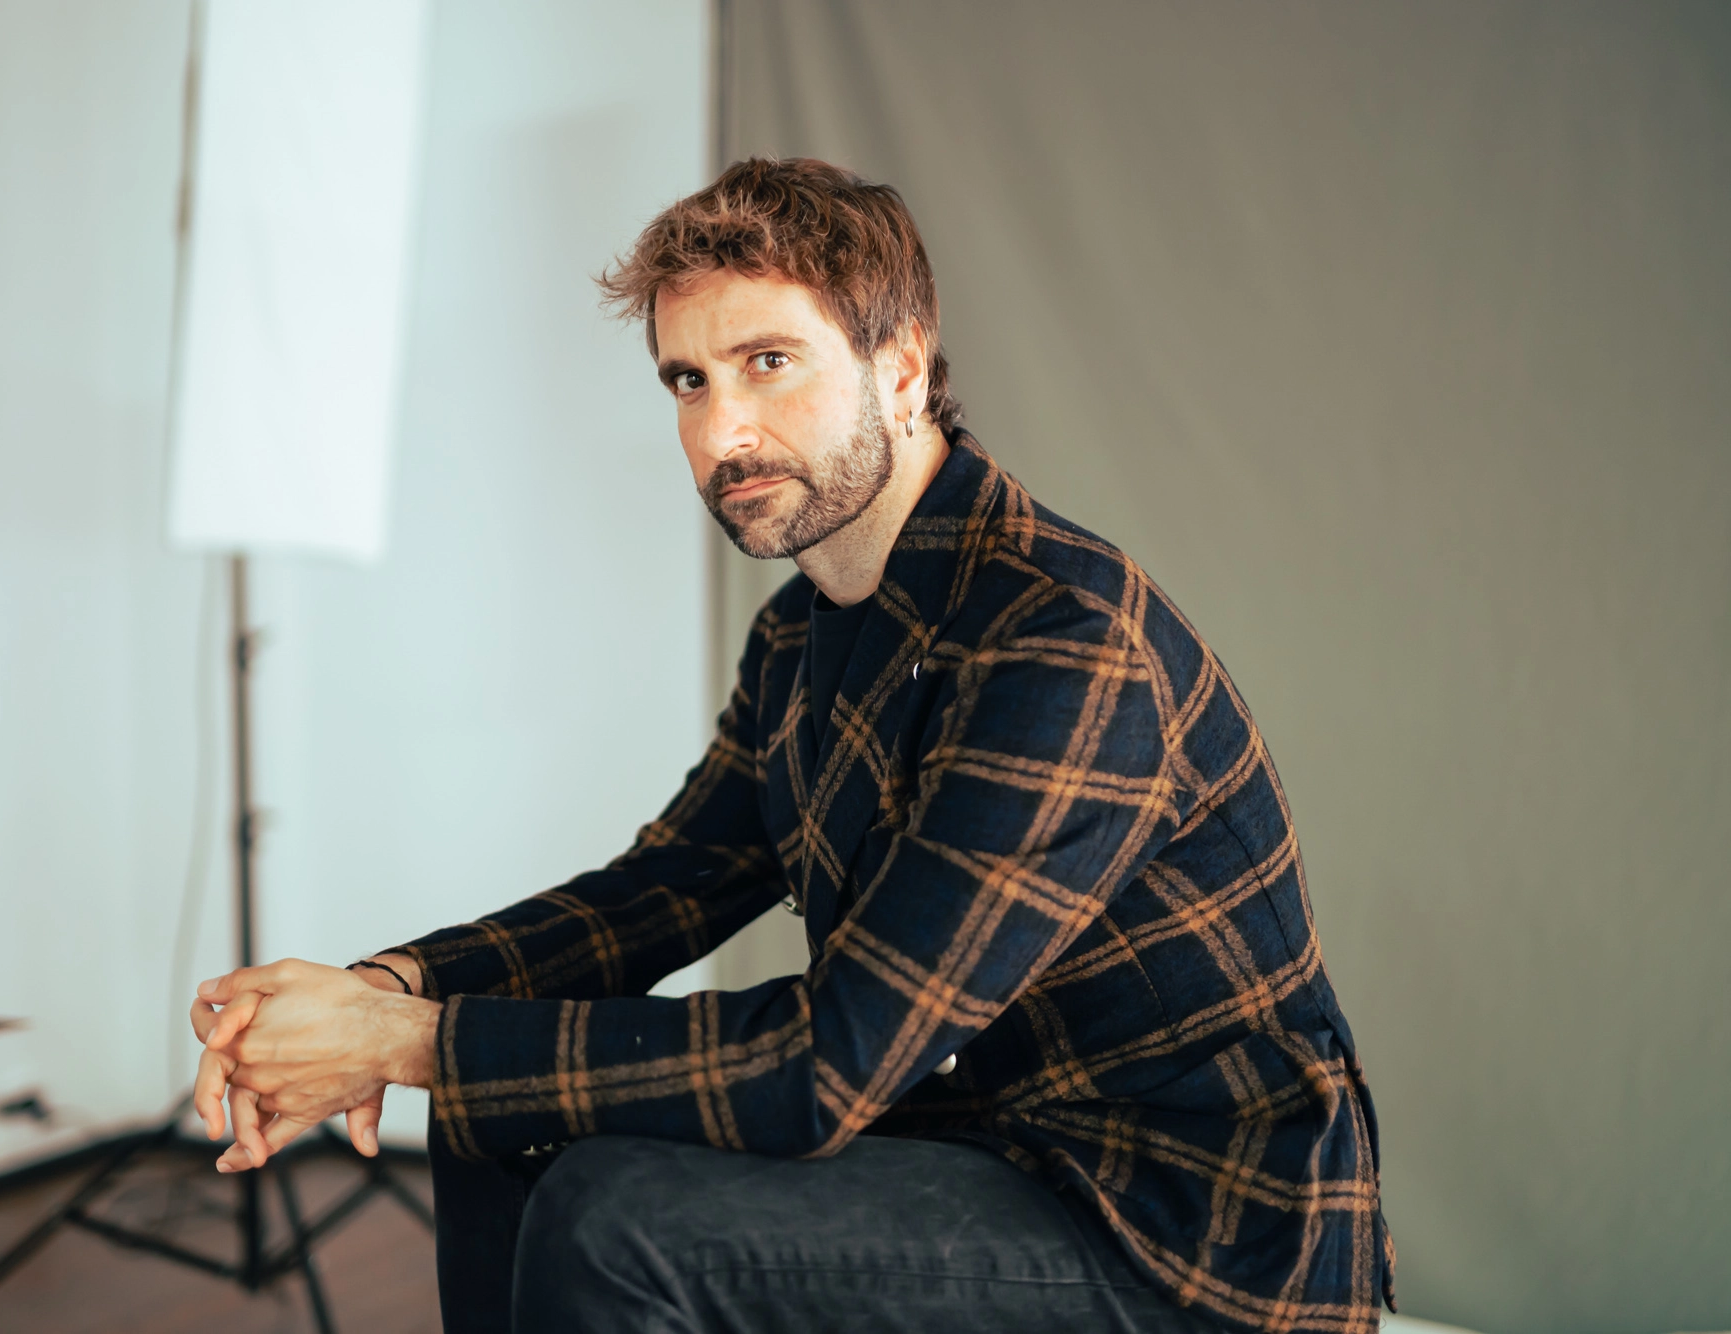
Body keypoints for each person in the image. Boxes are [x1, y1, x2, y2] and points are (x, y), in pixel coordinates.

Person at [189, 157, 1395, 1334]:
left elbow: (828, 1061)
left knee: (613, 1218)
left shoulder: (1063, 643)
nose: (723, 431)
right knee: (501, 1119)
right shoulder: (799, 632)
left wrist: (405, 1044)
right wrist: (387, 988)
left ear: (901, 369)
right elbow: (662, 889)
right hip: (988, 1136)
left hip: (1184, 1227)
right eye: (687, 381)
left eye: (767, 362)